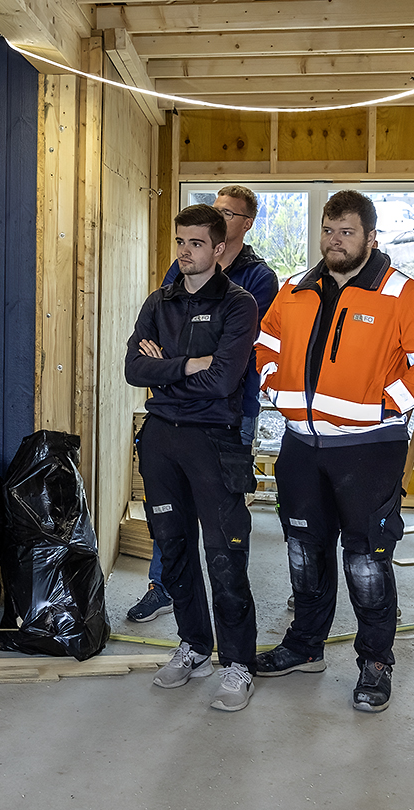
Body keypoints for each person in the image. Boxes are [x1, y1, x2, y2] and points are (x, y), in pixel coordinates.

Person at [252, 189, 414, 712]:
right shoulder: (296, 286)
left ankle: (375, 661)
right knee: (304, 552)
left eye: (346, 232)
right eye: (328, 230)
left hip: (368, 451)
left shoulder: (401, 292)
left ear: (370, 236)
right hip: (301, 445)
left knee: (366, 560)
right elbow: (265, 340)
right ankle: (305, 645)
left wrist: (389, 403)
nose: (334, 241)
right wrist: (272, 380)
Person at [125, 203, 261, 712]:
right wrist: (191, 365)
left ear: (220, 248)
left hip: (213, 440)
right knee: (173, 546)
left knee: (225, 553)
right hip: (161, 438)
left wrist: (169, 368)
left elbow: (225, 379)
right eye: (181, 242)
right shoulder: (160, 301)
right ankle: (194, 646)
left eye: (197, 243)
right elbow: (133, 369)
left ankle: (238, 662)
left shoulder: (239, 304)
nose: (186, 252)